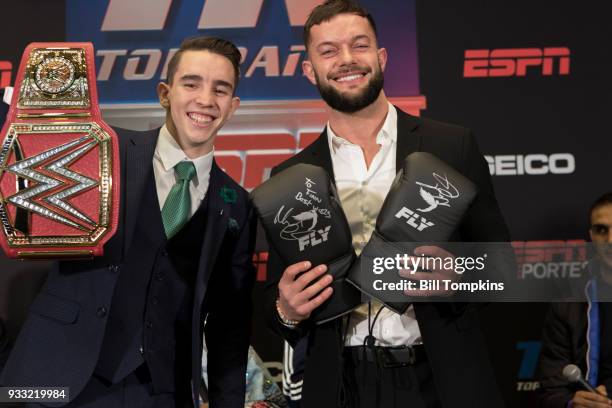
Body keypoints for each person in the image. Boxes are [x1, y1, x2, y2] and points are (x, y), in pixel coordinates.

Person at [263, 1, 510, 407]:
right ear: (309, 71)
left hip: (442, 378)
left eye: (358, 46)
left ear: (380, 57)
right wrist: (287, 310)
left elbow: (502, 267)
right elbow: (279, 302)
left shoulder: (451, 145)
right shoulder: (291, 175)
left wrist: (459, 275)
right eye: (328, 51)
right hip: (340, 384)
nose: (346, 60)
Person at [0, 36, 256, 408]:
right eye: (191, 83)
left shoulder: (236, 204)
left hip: (161, 390)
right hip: (58, 377)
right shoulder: (102, 150)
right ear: (165, 93)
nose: (205, 99)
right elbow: (24, 185)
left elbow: (228, 324)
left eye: (220, 89)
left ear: (232, 107)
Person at [538, 192, 612, 408]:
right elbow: (551, 388)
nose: (610, 240)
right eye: (601, 230)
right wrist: (572, 404)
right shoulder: (568, 302)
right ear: (591, 236)